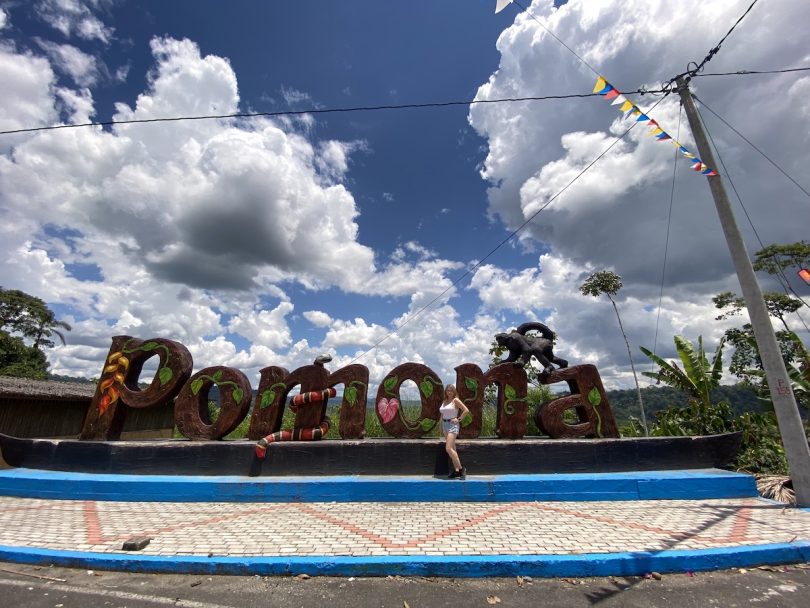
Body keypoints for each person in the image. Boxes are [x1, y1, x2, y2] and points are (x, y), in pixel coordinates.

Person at [439, 384, 470, 480]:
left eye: (451, 390)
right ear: (446, 392)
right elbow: (442, 414)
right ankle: (457, 471)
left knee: (448, 448)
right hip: (445, 425)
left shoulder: (455, 400)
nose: (449, 392)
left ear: (454, 392)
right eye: (448, 390)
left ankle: (461, 469)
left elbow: (466, 410)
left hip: (453, 425)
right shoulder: (444, 401)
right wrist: (440, 426)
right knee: (453, 449)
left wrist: (459, 419)